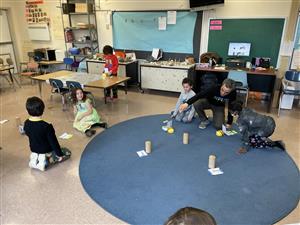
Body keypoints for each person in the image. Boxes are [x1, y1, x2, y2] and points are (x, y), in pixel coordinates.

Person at [24, 97, 70, 171]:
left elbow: (27, 133)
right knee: (67, 151)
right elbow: (53, 142)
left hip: (33, 148)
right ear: (43, 110)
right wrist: (59, 154)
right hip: (46, 149)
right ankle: (46, 158)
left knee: (38, 147)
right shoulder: (47, 126)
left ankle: (36, 157)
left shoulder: (26, 123)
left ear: (28, 110)